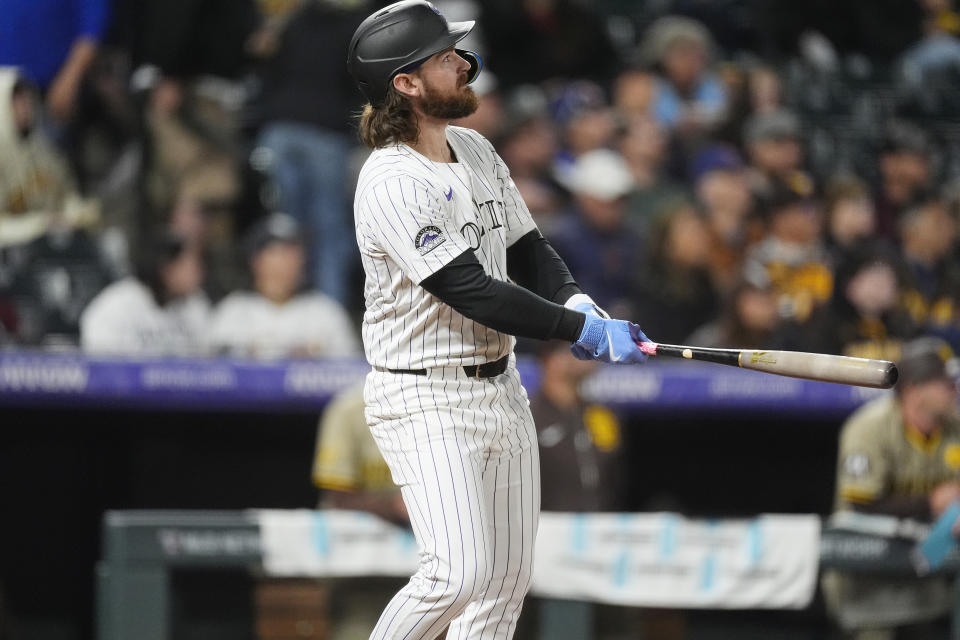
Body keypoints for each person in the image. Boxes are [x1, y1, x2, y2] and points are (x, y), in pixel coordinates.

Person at [346, 3, 650, 638]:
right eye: (445, 59)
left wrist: (576, 302)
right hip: (424, 390)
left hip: (502, 386)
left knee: (504, 586)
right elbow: (470, 290)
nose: (464, 65)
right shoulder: (391, 180)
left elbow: (528, 250)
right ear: (405, 83)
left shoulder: (475, 148)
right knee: (456, 574)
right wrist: (576, 333)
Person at [823, 336, 960, 639]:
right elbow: (861, 504)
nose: (954, 390)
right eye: (944, 383)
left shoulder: (954, 427)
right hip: (868, 581)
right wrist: (931, 502)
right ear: (914, 390)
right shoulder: (870, 428)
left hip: (929, 581)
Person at [311, 382, 409, 640]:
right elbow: (337, 499)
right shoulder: (350, 408)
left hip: (435, 572)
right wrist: (392, 506)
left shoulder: (444, 407)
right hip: (362, 577)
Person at [209, 212, 359, 359]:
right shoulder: (232, 312)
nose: (287, 262)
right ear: (255, 261)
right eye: (276, 252)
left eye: (294, 252)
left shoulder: (325, 313)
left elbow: (353, 375)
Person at [80, 230, 210, 355]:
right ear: (166, 269)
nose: (199, 273)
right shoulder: (118, 303)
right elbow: (98, 359)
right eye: (190, 266)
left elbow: (209, 356)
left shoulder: (196, 304)